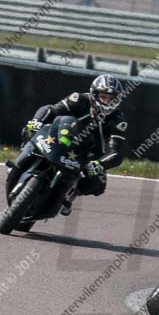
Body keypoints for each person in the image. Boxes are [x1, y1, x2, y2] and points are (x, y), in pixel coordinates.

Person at [5, 74, 127, 215]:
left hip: (88, 152)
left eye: (112, 99)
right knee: (30, 129)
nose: (107, 102)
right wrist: (37, 121)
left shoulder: (119, 121)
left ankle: (70, 196)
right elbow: (51, 109)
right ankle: (21, 156)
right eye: (104, 97)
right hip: (61, 135)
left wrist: (100, 164)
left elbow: (116, 153)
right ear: (94, 94)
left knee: (98, 183)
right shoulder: (79, 99)